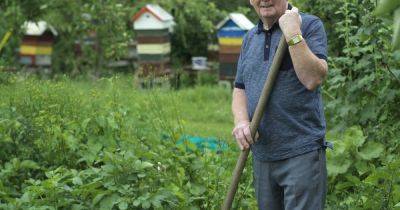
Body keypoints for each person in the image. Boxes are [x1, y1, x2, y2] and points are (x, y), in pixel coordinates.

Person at [231, 0, 330, 209]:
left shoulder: (309, 25)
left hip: (300, 153)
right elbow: (240, 88)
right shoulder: (250, 38)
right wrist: (241, 121)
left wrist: (293, 34)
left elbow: (313, 78)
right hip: (262, 155)